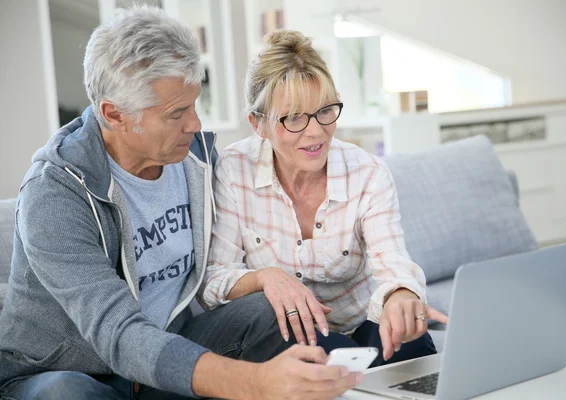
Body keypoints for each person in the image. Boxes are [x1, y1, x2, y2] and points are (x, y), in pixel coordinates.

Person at [0, 8, 361, 400]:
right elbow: (117, 333)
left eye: (194, 104)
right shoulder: (55, 194)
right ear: (114, 114)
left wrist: (272, 277)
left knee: (273, 312)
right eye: (176, 113)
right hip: (71, 371)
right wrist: (255, 382)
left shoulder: (198, 161)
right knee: (65, 394)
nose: (195, 125)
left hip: (168, 349)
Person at [201, 30, 448, 367]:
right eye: (294, 118)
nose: (316, 131)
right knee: (310, 353)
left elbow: (393, 264)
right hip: (287, 333)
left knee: (411, 343)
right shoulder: (233, 171)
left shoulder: (368, 173)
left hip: (361, 326)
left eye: (325, 111)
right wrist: (266, 277)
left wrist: (401, 295)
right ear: (258, 124)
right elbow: (214, 279)